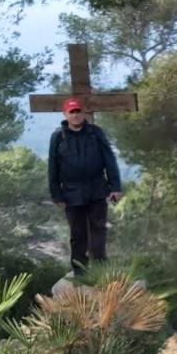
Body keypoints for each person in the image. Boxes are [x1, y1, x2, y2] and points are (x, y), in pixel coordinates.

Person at [48, 98, 122, 274]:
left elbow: (109, 159)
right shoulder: (58, 136)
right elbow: (53, 165)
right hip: (72, 193)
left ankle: (101, 270)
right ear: (65, 114)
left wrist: (115, 186)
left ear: (83, 113)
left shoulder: (95, 133)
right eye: (72, 112)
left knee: (99, 231)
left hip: (96, 189)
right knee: (77, 234)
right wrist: (56, 193)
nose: (76, 115)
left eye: (78, 111)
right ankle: (80, 272)